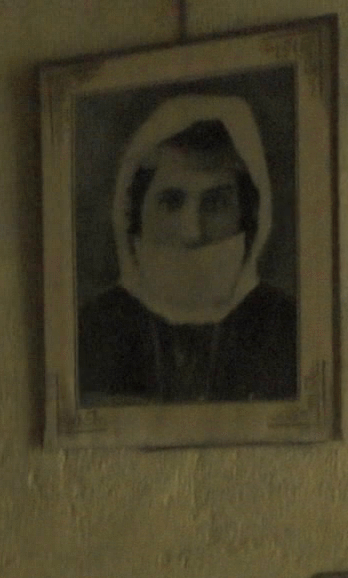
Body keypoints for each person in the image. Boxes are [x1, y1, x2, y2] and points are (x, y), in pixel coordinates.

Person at [77, 94, 297, 404]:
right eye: (171, 202)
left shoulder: (286, 328)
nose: (193, 232)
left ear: (250, 216)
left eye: (216, 203)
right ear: (133, 215)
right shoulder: (93, 330)